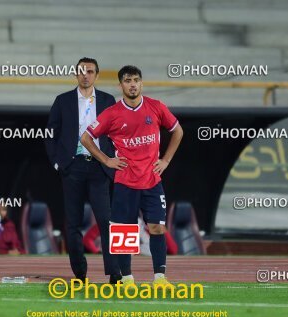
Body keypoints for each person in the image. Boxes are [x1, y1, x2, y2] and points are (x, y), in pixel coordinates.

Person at [81, 65, 184, 288]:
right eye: (128, 81)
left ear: (141, 83)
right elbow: (86, 138)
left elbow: (178, 131)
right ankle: (127, 279)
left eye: (136, 80)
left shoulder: (156, 107)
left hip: (152, 181)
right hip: (126, 182)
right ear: (121, 85)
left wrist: (165, 160)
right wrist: (107, 160)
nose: (133, 84)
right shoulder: (112, 114)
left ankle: (160, 278)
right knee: (124, 232)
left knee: (157, 228)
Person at [46, 57, 125, 283]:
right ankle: (80, 273)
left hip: (100, 167)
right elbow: (50, 134)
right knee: (73, 223)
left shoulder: (109, 100)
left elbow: (118, 132)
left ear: (97, 75)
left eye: (90, 71)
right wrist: (57, 162)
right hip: (72, 166)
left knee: (106, 220)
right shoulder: (62, 101)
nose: (85, 75)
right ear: (76, 74)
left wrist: (116, 157)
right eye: (82, 71)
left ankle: (115, 273)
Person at [83, 218, 179, 255]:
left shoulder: (147, 225)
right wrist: (97, 252)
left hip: (144, 268)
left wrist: (160, 228)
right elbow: (87, 239)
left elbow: (173, 250)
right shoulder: (109, 222)